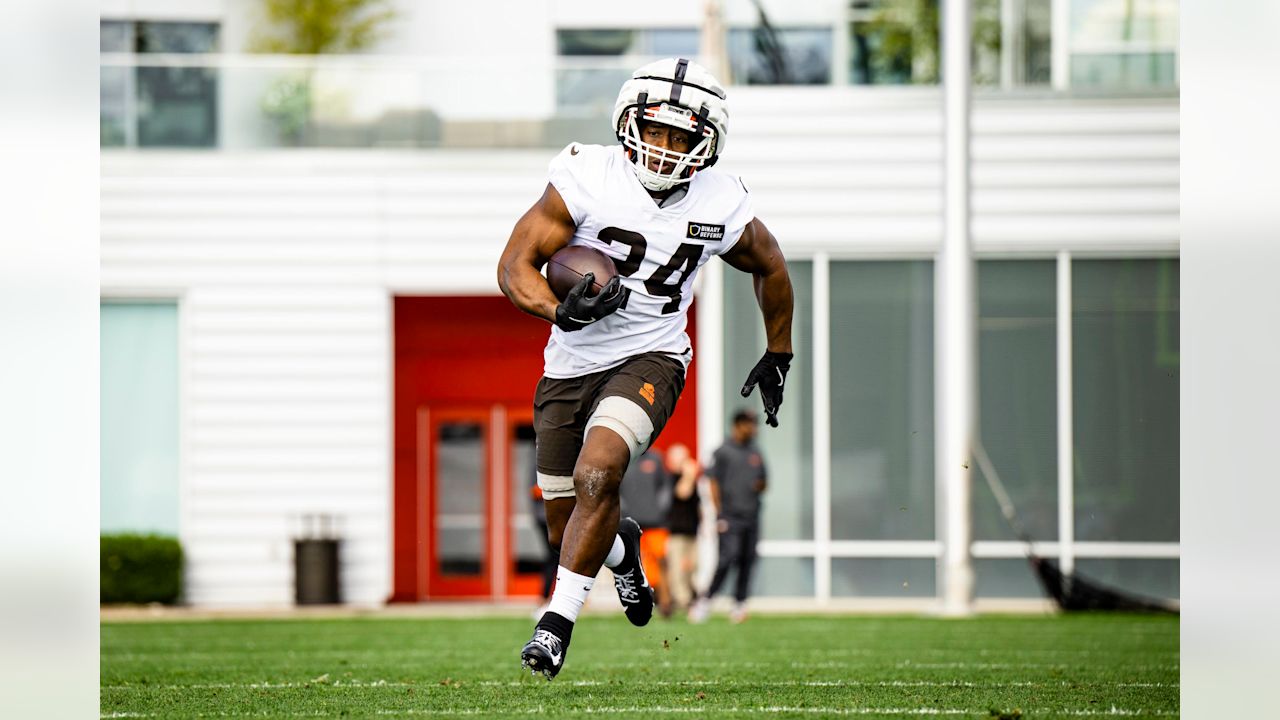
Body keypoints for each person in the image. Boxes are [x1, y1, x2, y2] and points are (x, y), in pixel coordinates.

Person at [496, 57, 794, 680]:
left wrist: (779, 349)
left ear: (704, 143)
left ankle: (555, 628)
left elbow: (770, 264)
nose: (662, 148)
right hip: (570, 362)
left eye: (679, 136)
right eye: (654, 131)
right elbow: (513, 265)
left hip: (652, 353)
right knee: (565, 523)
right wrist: (561, 311)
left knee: (599, 469)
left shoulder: (721, 201)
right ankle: (623, 548)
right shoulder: (586, 176)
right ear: (629, 123)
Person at [690, 408, 767, 625]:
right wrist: (719, 513)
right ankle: (704, 601)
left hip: (751, 516)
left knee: (747, 560)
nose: (753, 429)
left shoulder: (755, 452)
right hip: (730, 516)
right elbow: (712, 482)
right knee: (727, 558)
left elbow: (764, 481)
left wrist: (756, 487)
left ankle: (739, 604)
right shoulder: (723, 451)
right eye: (749, 424)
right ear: (737, 425)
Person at [618, 447, 674, 617]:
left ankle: (666, 603)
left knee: (662, 561)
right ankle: (645, 603)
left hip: (656, 523)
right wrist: (624, 512)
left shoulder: (655, 458)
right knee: (639, 565)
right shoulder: (623, 457)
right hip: (632, 524)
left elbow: (665, 487)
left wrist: (659, 510)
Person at [662, 443, 702, 615]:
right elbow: (682, 492)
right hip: (676, 532)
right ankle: (684, 602)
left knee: (693, 567)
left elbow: (697, 504)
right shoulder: (670, 479)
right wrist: (690, 475)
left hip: (692, 531)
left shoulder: (692, 481)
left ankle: (689, 598)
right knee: (676, 569)